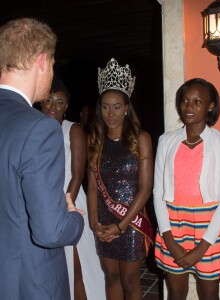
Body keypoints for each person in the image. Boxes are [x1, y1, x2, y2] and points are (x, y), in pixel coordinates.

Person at [0, 18, 84, 299]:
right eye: (53, 64)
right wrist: (74, 219)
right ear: (42, 61)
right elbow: (50, 232)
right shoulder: (39, 128)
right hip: (28, 284)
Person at [153, 78, 220, 300]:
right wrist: (168, 239)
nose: (189, 107)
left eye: (197, 101)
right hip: (173, 225)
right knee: (176, 294)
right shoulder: (166, 140)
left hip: (210, 227)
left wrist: (202, 247)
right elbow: (158, 192)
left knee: (209, 295)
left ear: (210, 106)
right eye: (185, 101)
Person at [87, 58, 154, 300]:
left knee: (129, 280)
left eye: (116, 106)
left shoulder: (141, 139)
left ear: (127, 108)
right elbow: (93, 187)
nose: (111, 113)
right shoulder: (94, 140)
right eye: (105, 106)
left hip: (131, 221)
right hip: (104, 222)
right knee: (111, 277)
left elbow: (145, 189)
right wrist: (95, 224)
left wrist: (121, 226)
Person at [40, 79, 105, 300]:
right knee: (54, 271)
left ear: (66, 106)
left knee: (78, 266)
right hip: (43, 205)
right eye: (49, 100)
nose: (53, 106)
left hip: (71, 203)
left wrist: (66, 209)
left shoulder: (73, 129)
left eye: (59, 102)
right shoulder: (34, 128)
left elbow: (77, 175)